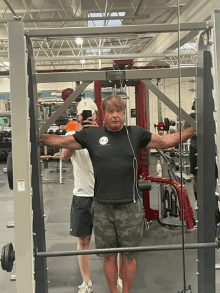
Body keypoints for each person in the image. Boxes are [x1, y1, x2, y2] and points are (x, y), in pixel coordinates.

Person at [42, 95, 195, 293]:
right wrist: (33, 134)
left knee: (130, 256)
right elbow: (61, 142)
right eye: (110, 111)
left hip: (130, 206)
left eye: (119, 111)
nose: (115, 115)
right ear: (104, 115)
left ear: (124, 113)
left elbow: (165, 141)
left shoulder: (136, 134)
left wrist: (194, 128)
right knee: (109, 255)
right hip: (102, 207)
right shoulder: (91, 135)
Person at [62, 98, 98, 293]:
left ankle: (116, 278)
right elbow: (64, 156)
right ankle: (87, 282)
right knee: (83, 240)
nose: (85, 118)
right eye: (82, 115)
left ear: (96, 116)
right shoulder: (72, 132)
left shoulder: (103, 132)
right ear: (78, 117)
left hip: (103, 195)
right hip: (82, 195)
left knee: (112, 241)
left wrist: (95, 132)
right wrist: (77, 134)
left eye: (89, 115)